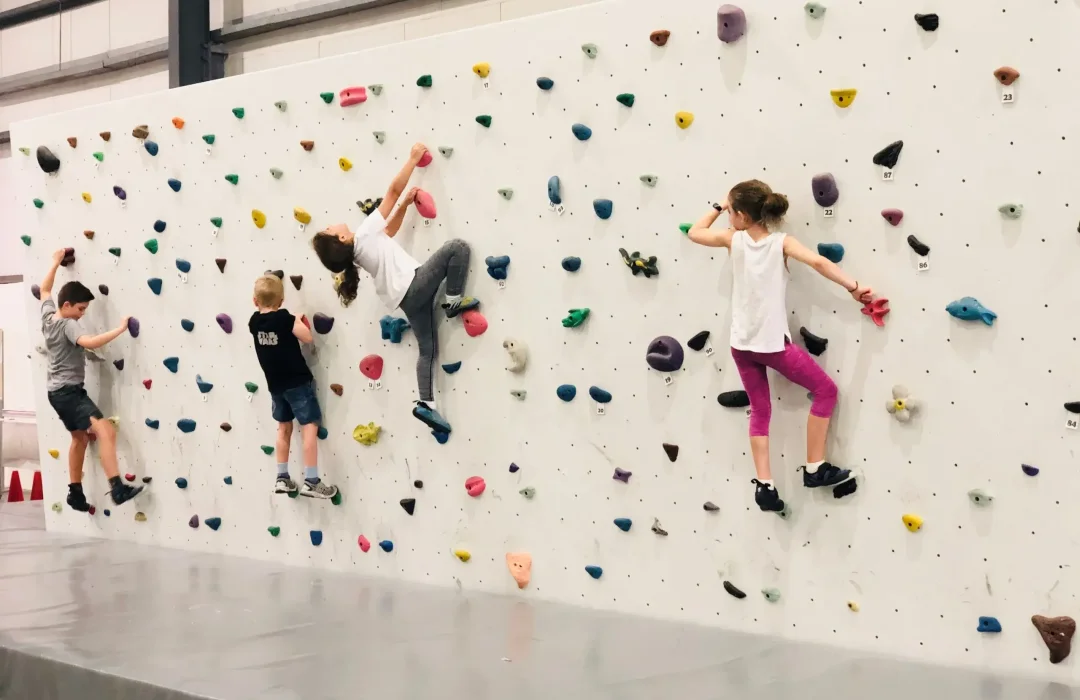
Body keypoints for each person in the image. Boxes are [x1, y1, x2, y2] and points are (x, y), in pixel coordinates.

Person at [687, 180, 875, 514]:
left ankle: (765, 484)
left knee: (760, 411)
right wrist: (854, 287)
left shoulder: (733, 239)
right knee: (826, 392)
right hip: (771, 345)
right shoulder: (780, 243)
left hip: (740, 345)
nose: (727, 215)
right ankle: (815, 467)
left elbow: (694, 233)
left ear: (742, 215)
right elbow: (818, 262)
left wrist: (717, 205)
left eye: (731, 211)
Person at [310, 142, 480, 435]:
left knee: (427, 349)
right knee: (457, 248)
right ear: (340, 237)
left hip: (405, 302)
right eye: (328, 229)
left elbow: (388, 231)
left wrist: (404, 205)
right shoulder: (361, 234)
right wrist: (412, 159)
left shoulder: (361, 249)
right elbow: (390, 192)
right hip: (413, 286)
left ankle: (426, 402)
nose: (330, 224)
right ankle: (452, 299)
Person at [39, 248, 143, 510]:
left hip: (57, 393)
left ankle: (75, 493)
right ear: (67, 305)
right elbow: (89, 342)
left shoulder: (49, 318)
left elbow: (44, 290)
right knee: (105, 429)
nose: (82, 314)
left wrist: (55, 262)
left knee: (80, 439)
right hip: (69, 393)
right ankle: (117, 488)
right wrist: (120, 329)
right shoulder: (68, 324)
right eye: (81, 309)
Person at [248, 274, 338, 499]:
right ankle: (312, 480)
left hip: (275, 386)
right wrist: (296, 321)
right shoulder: (285, 320)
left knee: (283, 428)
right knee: (309, 426)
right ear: (282, 300)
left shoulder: (254, 322)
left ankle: (282, 477)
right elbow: (307, 337)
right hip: (297, 383)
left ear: (254, 301)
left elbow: (271, 327)